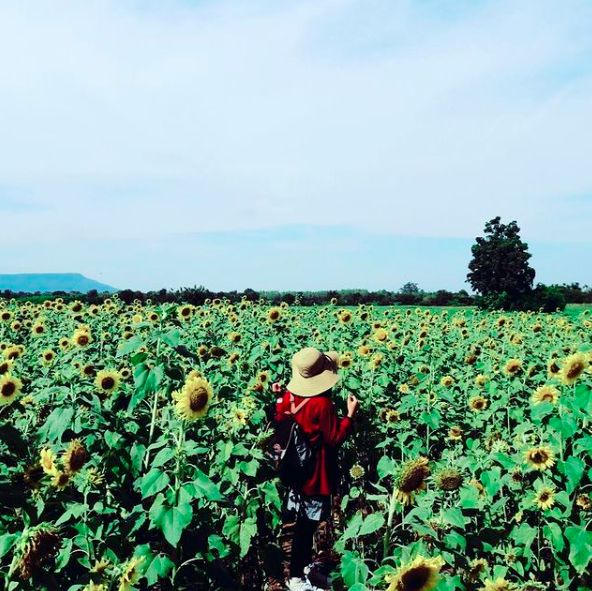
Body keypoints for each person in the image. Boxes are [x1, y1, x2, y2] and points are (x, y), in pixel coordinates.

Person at [272, 347, 359, 591]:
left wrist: (277, 396)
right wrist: (349, 416)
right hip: (315, 474)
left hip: (295, 470)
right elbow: (334, 438)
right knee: (306, 525)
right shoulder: (322, 404)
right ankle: (297, 576)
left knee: (301, 521)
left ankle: (305, 565)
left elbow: (280, 417)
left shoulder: (289, 396)